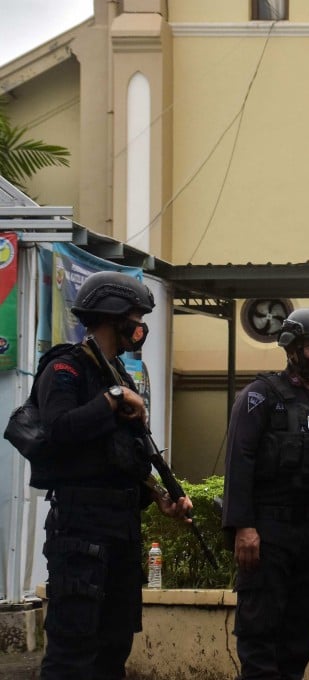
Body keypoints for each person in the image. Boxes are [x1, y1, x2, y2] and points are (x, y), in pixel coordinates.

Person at [33, 270, 192, 679]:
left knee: (114, 644)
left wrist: (158, 494)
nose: (141, 328)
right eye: (137, 318)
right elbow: (59, 428)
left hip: (121, 528)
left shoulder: (116, 372)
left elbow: (121, 455)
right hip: (80, 530)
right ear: (114, 314)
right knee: (73, 650)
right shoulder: (66, 367)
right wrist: (115, 398)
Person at [221, 307, 309, 679]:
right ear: (292, 348)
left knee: (302, 638)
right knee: (260, 639)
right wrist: (243, 526)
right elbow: (239, 462)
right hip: (267, 536)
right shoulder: (259, 396)